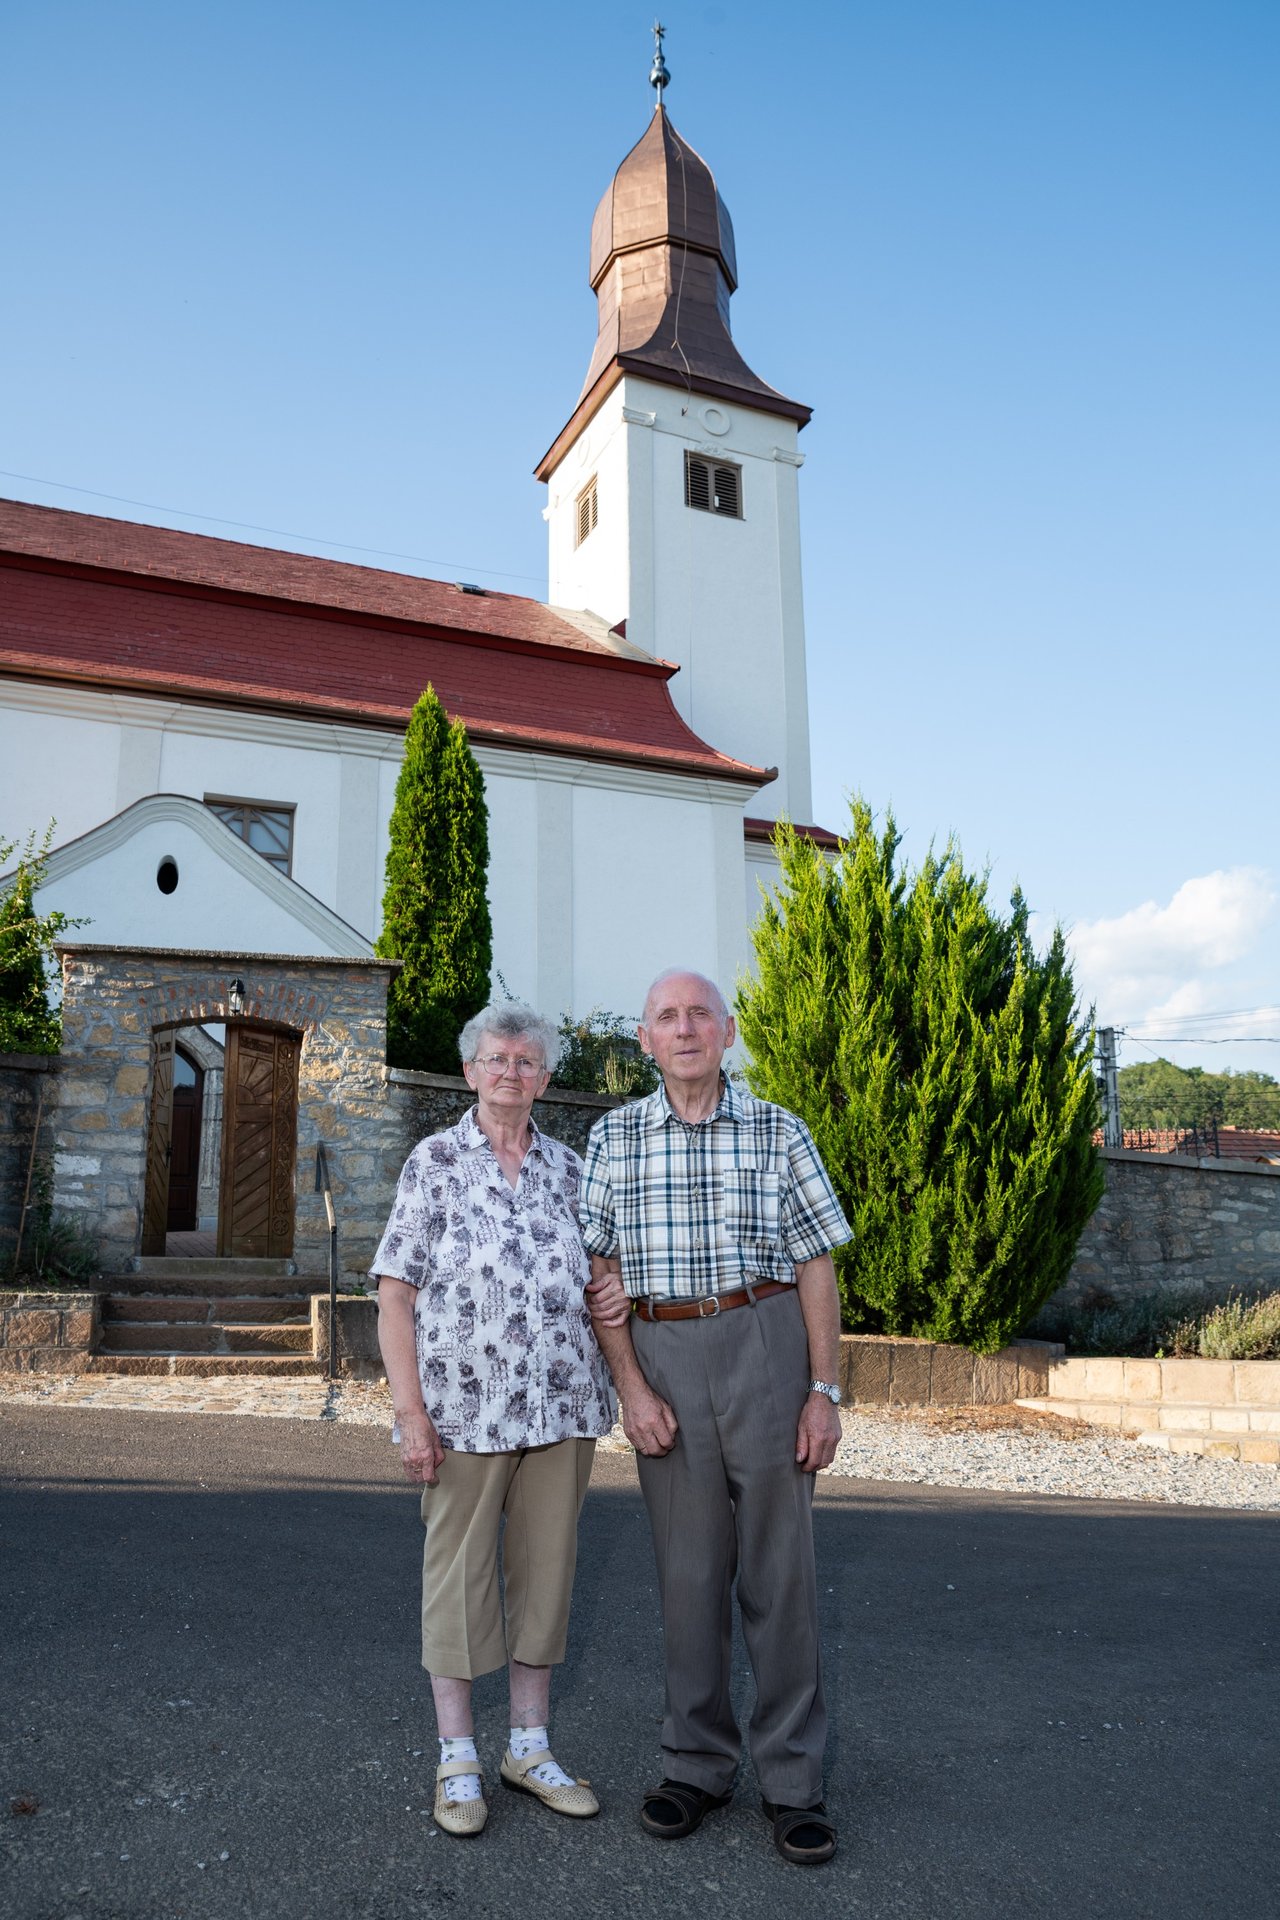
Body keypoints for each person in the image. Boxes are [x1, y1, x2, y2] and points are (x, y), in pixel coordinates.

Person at [581, 968, 851, 1867]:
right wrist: (631, 1387)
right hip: (662, 1359)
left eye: (700, 1014)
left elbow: (817, 1263)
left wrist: (824, 1389)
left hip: (766, 1346)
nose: (686, 1028)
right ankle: (695, 1766)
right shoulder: (613, 1138)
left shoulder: (781, 1131)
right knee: (688, 1577)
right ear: (645, 1040)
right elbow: (599, 1277)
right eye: (667, 1016)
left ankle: (793, 1785)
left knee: (782, 1578)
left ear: (727, 1033)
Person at [371, 999, 614, 1838]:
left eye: (527, 1060)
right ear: (470, 1071)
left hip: (562, 1407)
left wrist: (614, 1293)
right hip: (463, 1413)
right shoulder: (433, 1163)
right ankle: (457, 1758)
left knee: (544, 1578)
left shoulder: (573, 1171)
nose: (511, 1071)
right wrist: (410, 1415)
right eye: (496, 1058)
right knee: (457, 1579)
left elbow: (605, 1283)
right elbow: (394, 1296)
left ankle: (529, 1747)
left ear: (546, 1078)